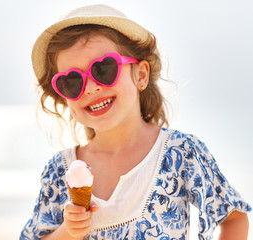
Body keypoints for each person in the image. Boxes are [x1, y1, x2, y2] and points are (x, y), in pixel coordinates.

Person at [20, 4, 251, 240]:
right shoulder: (60, 171)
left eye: (103, 69)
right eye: (71, 81)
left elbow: (233, 217)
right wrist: (67, 231)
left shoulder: (182, 153)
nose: (90, 88)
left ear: (140, 75)